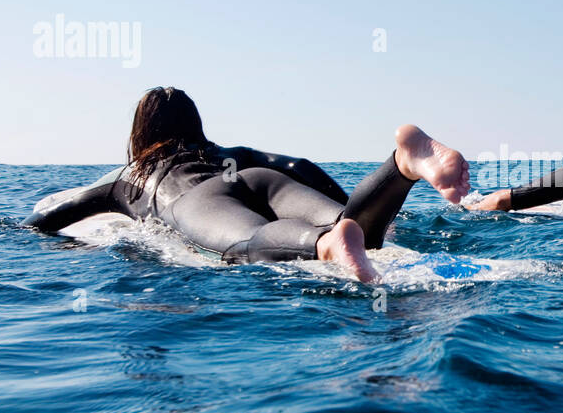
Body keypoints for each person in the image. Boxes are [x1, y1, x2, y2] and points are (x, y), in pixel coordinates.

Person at [25, 87, 469, 281]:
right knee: (353, 227)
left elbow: (55, 215)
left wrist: (16, 228)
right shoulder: (225, 152)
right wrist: (342, 208)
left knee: (247, 241)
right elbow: (298, 164)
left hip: (197, 200)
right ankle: (401, 165)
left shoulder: (131, 178)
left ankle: (327, 245)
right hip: (258, 179)